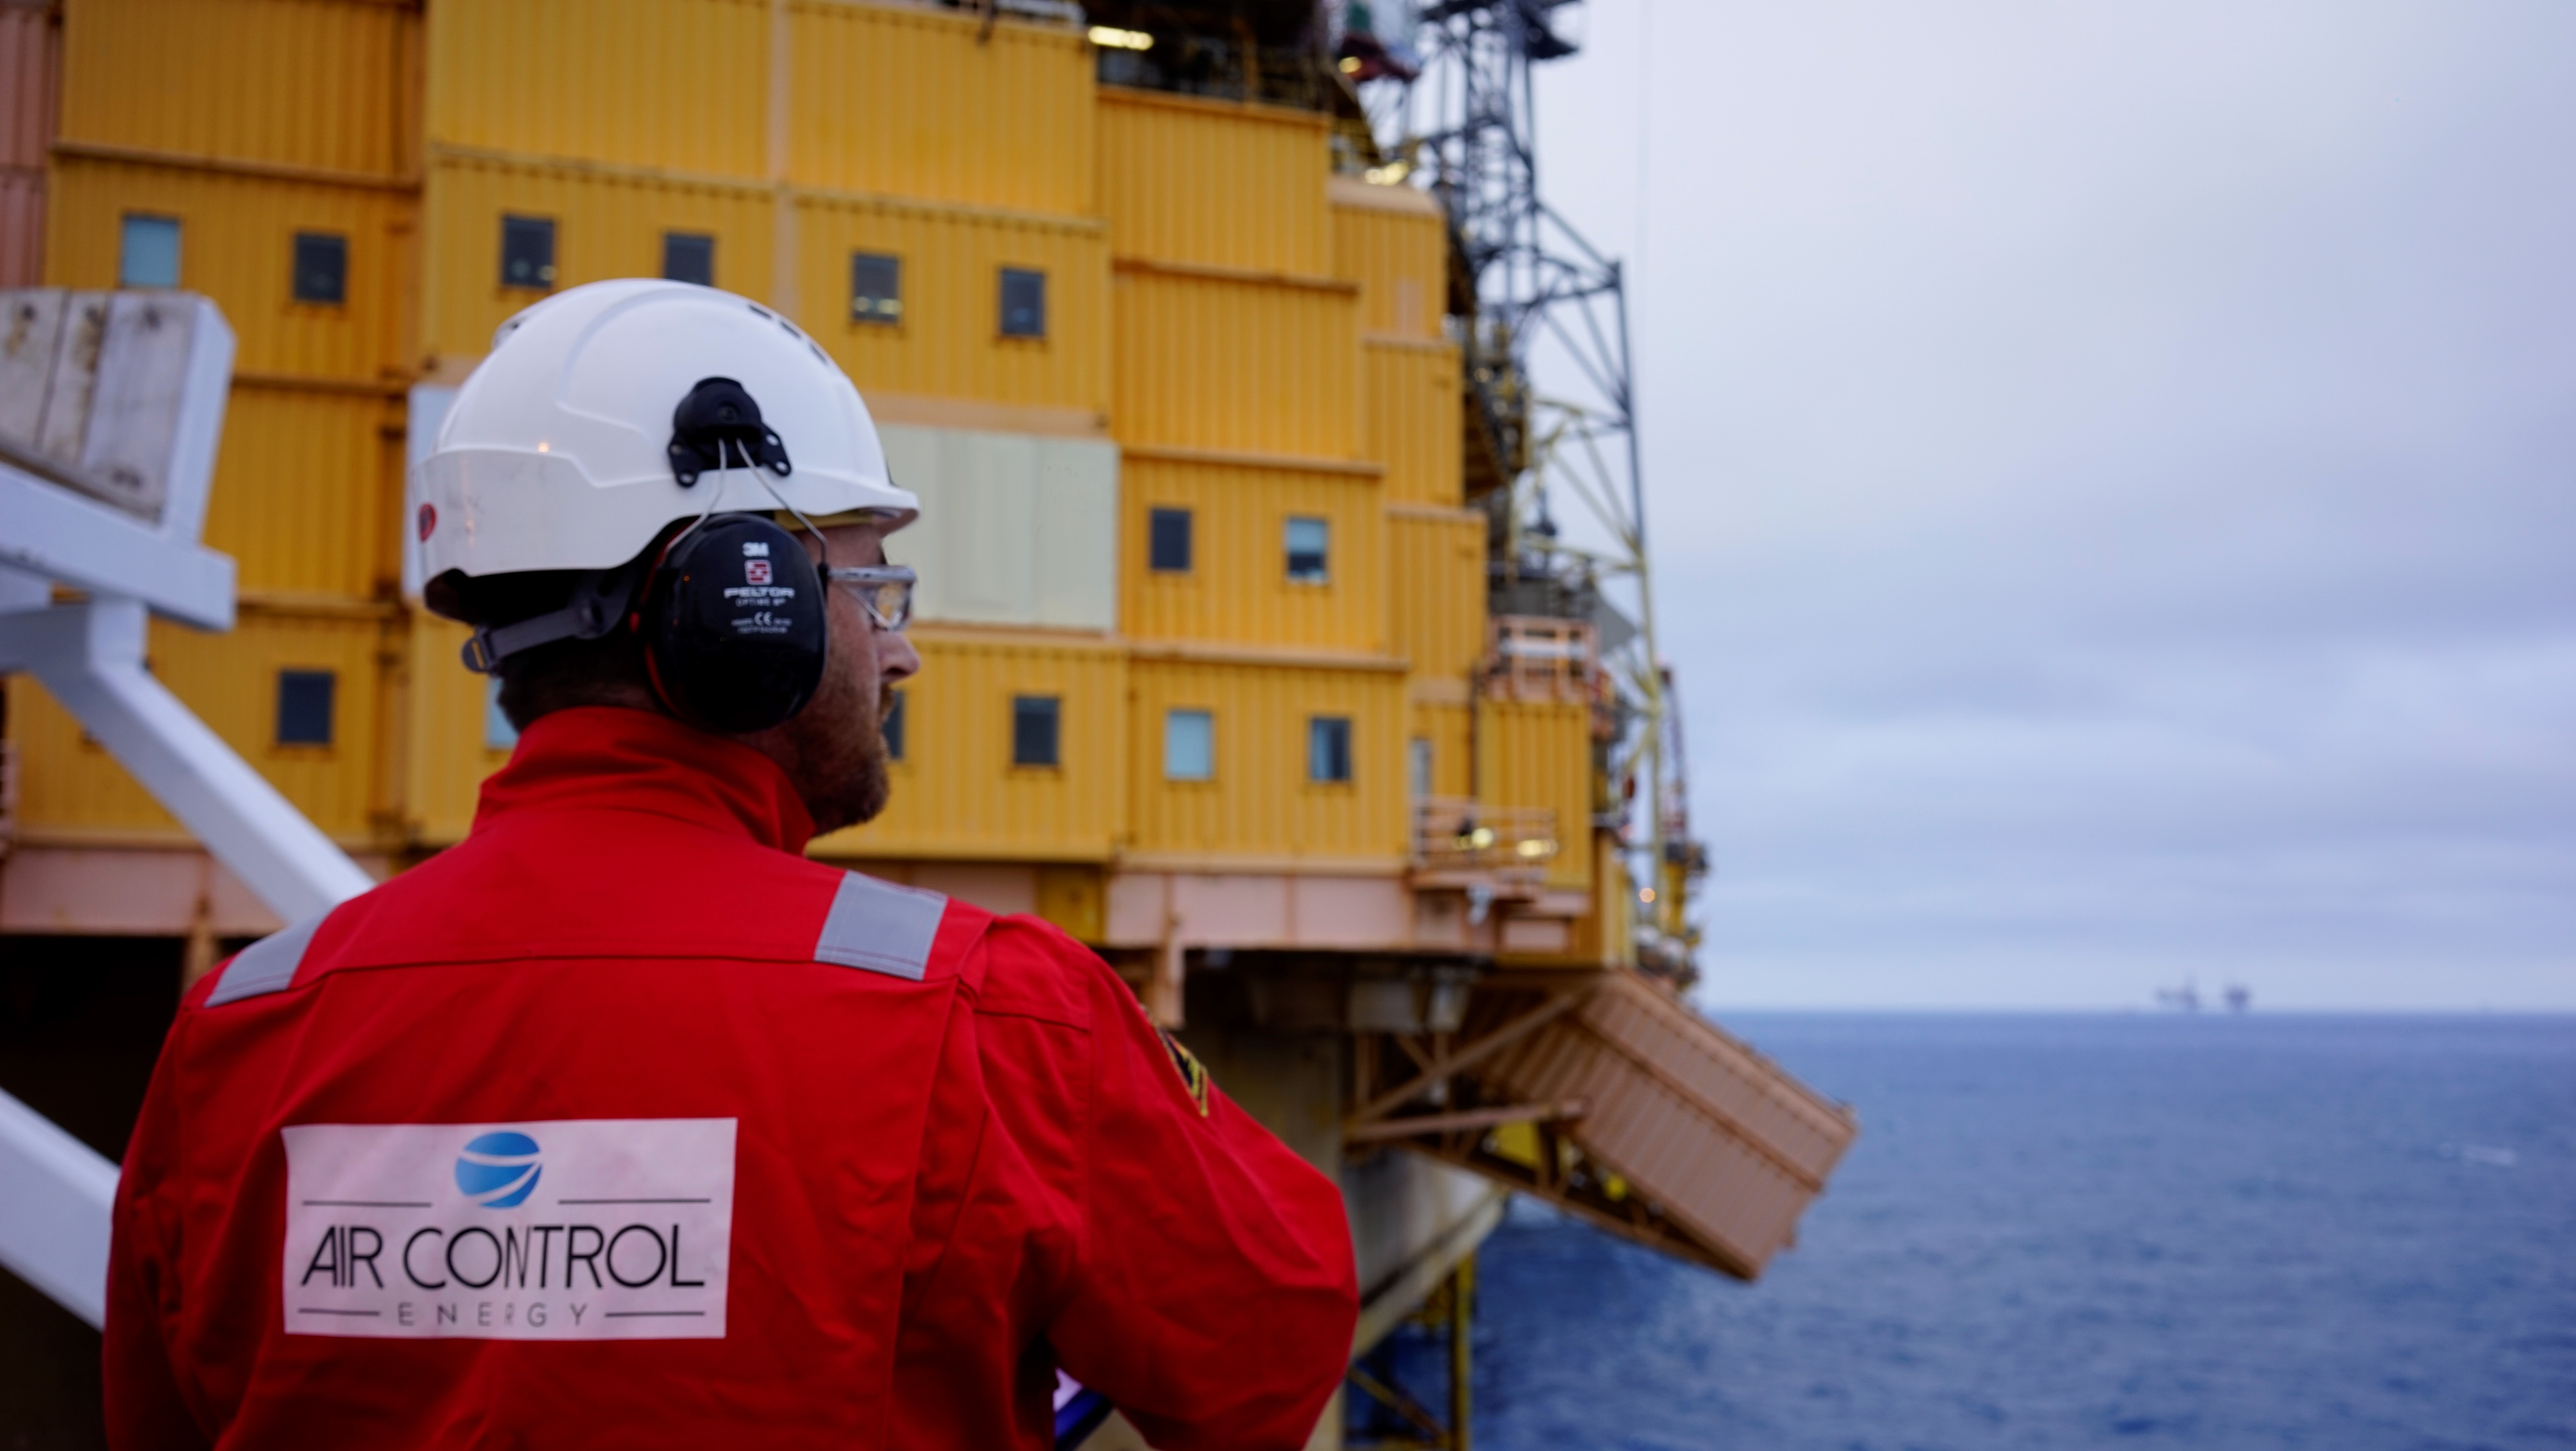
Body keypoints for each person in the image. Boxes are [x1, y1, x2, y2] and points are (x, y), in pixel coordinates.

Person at [102, 279, 1359, 1450]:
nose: (901, 655)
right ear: (751, 600)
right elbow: (1268, 1348)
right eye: (873, 588)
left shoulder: (236, 1033)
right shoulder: (988, 1014)